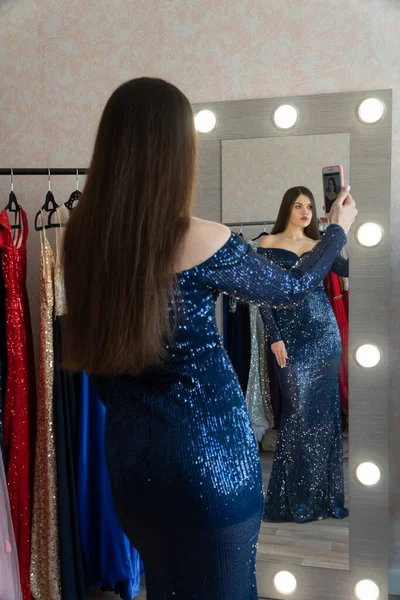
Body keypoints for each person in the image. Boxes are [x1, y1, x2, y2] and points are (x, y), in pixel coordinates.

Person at [62, 79, 357, 599]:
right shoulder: (202, 237)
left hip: (132, 468)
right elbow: (289, 289)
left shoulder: (82, 236)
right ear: (177, 153)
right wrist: (336, 230)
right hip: (210, 465)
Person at [258, 186, 349, 523]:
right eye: (298, 206)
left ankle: (322, 499)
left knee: (324, 419)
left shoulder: (320, 243)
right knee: (298, 417)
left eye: (309, 206)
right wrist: (275, 338)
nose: (305, 211)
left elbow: (348, 270)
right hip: (290, 340)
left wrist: (343, 229)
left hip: (325, 335)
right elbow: (264, 296)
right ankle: (294, 499)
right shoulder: (267, 242)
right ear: (287, 209)